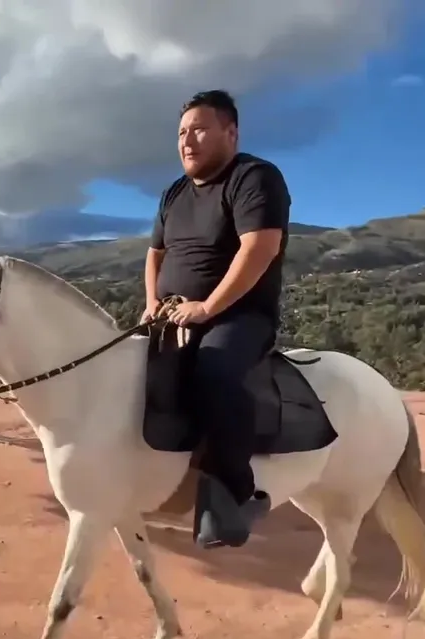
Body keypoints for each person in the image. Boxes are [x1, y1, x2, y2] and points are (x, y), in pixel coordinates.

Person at [143, 89, 291, 549]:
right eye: (181, 133)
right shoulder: (174, 193)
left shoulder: (254, 177)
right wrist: (151, 302)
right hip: (172, 314)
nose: (187, 141)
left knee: (216, 368)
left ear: (231, 132)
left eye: (200, 129)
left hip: (239, 317)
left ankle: (235, 495)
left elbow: (260, 247)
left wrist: (207, 308)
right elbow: (154, 255)